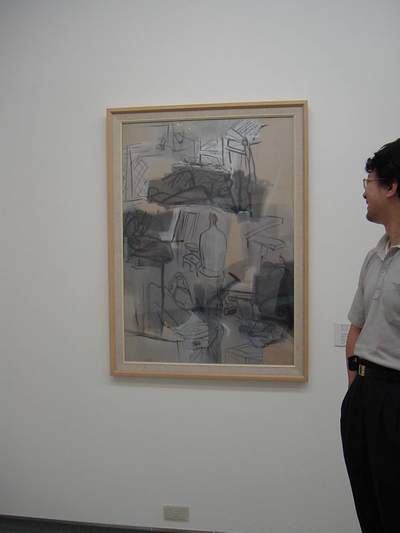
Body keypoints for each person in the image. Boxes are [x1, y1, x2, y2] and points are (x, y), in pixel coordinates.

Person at [341, 138, 400, 533]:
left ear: (392, 186)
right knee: (371, 511)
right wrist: (355, 389)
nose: (364, 192)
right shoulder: (374, 255)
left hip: (395, 399)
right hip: (364, 395)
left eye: (369, 182)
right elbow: (357, 326)